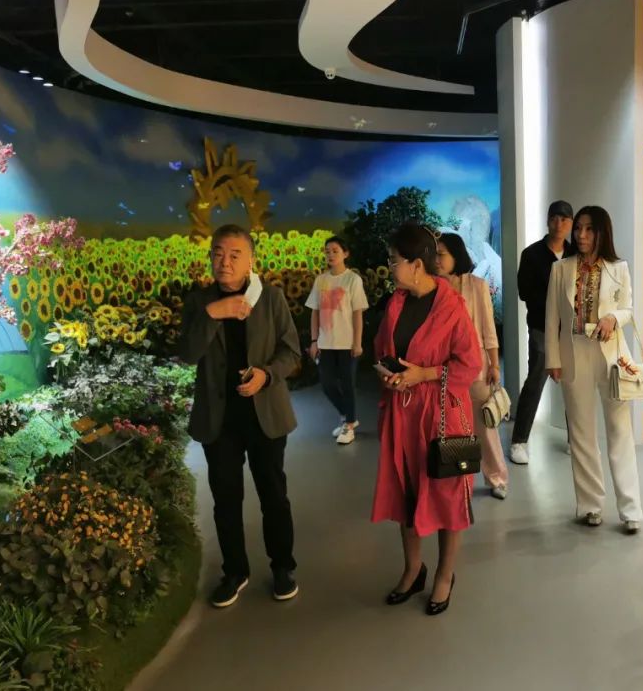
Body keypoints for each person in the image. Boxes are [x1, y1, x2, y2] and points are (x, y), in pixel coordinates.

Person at [179, 224, 302, 608]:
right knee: (226, 500)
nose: (225, 262)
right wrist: (213, 313)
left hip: (265, 415)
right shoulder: (199, 302)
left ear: (251, 260)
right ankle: (235, 572)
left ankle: (282, 567)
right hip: (219, 420)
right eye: (218, 253)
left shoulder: (270, 298)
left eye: (234, 255)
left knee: (274, 495)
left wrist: (267, 374)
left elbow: (291, 352)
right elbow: (187, 353)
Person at [371, 222, 482, 616]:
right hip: (402, 414)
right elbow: (382, 348)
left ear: (416, 265)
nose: (390, 267)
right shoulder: (395, 304)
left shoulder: (452, 307)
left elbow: (470, 364)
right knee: (407, 491)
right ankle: (412, 569)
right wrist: (389, 373)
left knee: (447, 496)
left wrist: (425, 374)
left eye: (394, 260)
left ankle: (444, 575)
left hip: (441, 417)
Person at [544, 206, 643, 533]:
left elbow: (628, 308)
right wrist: (553, 359)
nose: (581, 235)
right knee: (582, 433)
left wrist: (613, 317)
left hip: (612, 356)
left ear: (602, 232)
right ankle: (590, 505)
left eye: (589, 229)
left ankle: (630, 509)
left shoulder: (619, 267)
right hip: (574, 354)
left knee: (620, 432)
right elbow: (552, 318)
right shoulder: (560, 268)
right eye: (579, 229)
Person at [436, 233, 508, 500]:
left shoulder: (477, 285)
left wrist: (494, 365)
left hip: (476, 368)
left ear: (456, 255)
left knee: (485, 426)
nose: (436, 259)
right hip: (444, 369)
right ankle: (458, 478)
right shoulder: (434, 289)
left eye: (441, 254)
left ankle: (497, 477)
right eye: (435, 254)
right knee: (452, 427)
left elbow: (489, 329)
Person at [508, 200, 576, 465]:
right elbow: (525, 292)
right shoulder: (532, 254)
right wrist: (555, 303)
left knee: (573, 382)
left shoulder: (575, 254)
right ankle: (519, 441)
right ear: (548, 221)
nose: (559, 224)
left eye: (564, 219)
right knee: (536, 379)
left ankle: (575, 439)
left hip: (571, 330)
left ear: (570, 224)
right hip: (541, 327)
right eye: (554, 218)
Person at [305, 237, 369, 445]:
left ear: (345, 253)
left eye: (335, 250)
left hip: (347, 343)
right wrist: (314, 341)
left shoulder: (353, 280)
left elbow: (358, 313)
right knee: (327, 384)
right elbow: (315, 312)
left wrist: (357, 342)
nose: (330, 255)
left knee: (348, 385)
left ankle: (349, 425)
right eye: (327, 251)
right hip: (325, 343)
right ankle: (348, 416)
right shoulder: (321, 280)